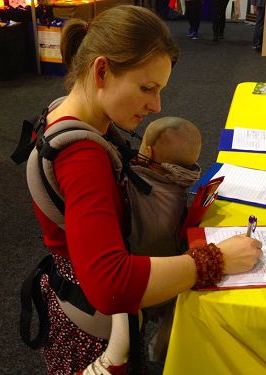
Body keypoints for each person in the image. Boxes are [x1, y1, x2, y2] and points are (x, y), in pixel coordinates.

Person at [24, 5, 263, 375]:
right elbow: (110, 284)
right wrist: (215, 261)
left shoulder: (66, 113)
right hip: (92, 328)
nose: (156, 105)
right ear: (101, 71)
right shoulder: (84, 157)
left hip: (71, 300)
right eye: (146, 88)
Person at [80, 116, 202, 374]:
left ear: (148, 152)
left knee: (131, 330)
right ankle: (167, 352)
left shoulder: (135, 184)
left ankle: (131, 356)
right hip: (174, 271)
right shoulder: (180, 185)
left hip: (141, 281)